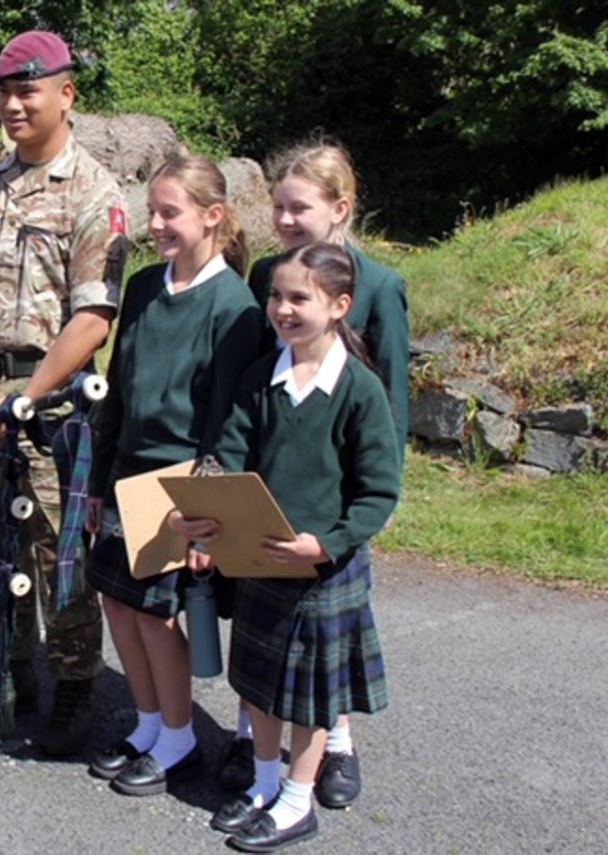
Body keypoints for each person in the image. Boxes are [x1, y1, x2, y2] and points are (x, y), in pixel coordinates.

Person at [0, 29, 129, 757]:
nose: (12, 104)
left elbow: (93, 315)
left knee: (56, 548)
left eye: (27, 91)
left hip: (51, 406)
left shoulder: (95, 192)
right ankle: (6, 674)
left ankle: (75, 686)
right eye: (4, 92)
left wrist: (26, 397)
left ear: (66, 95)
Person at [171, 243, 400, 851]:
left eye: (300, 297)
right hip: (258, 562)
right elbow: (231, 455)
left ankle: (298, 800)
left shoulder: (360, 390)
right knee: (258, 683)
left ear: (339, 305)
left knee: (311, 697)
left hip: (324, 572)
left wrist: (325, 545)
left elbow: (379, 493)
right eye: (275, 295)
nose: (282, 308)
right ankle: (265, 785)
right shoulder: (260, 378)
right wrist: (202, 510)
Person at [217, 141, 410, 807]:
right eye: (277, 205)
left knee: (320, 655)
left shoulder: (380, 287)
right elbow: (248, 399)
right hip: (269, 499)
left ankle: (334, 746)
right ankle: (257, 748)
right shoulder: (269, 276)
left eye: (299, 206)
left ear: (340, 208)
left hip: (335, 496)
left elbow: (389, 405)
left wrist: (356, 518)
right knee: (265, 645)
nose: (285, 218)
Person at [85, 156, 264, 796]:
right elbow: (121, 392)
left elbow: (230, 422)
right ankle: (150, 724)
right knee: (119, 604)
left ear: (213, 216)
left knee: (156, 616)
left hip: (181, 482)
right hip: (126, 473)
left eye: (169, 212)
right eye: (151, 211)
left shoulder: (235, 306)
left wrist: (207, 516)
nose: (153, 224)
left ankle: (182, 740)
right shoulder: (140, 287)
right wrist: (100, 483)